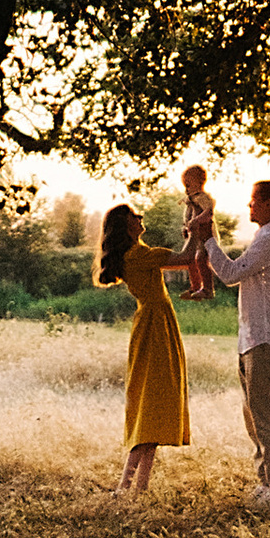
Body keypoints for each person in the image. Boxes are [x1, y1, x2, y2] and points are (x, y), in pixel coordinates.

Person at [198, 175, 270, 508]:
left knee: (265, 414)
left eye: (253, 200)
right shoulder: (262, 238)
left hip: (265, 338)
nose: (249, 204)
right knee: (253, 415)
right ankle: (267, 482)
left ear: (268, 204)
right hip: (251, 338)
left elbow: (230, 274)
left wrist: (209, 240)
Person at [97, 202, 191, 493]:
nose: (141, 219)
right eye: (135, 217)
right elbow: (186, 258)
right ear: (127, 226)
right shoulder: (138, 255)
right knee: (150, 406)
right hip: (154, 328)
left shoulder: (137, 253)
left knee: (153, 405)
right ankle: (126, 487)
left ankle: (137, 489)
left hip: (155, 324)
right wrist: (197, 232)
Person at [180, 164, 216, 300]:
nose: (186, 189)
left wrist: (197, 220)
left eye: (188, 185)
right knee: (191, 260)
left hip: (204, 235)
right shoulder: (192, 199)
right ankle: (195, 286)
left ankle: (207, 289)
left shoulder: (202, 197)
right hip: (194, 236)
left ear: (200, 182)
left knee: (201, 259)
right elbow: (188, 217)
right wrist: (186, 228)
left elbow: (209, 211)